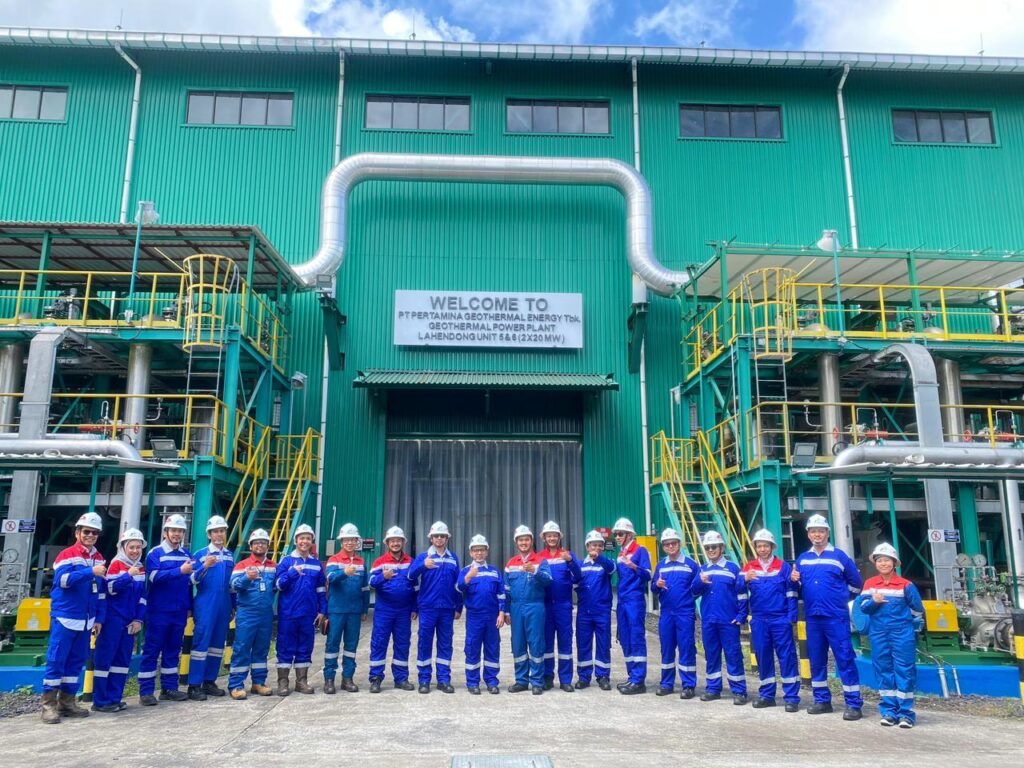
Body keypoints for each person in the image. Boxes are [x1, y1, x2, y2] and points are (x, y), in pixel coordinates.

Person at [792, 514, 864, 720]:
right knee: (816, 660)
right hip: (813, 618)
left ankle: (854, 704)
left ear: (827, 533)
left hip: (835, 617)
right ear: (808, 534)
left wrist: (839, 597)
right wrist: (794, 580)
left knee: (845, 658)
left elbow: (856, 584)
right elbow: (798, 587)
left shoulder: (840, 557)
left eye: (821, 531)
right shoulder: (803, 559)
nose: (817, 534)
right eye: (813, 531)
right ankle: (822, 700)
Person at [41, 512, 106, 724]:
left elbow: (100, 592)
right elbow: (63, 581)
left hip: (86, 619)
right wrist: (90, 571)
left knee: (76, 661)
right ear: (77, 532)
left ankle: (67, 703)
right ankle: (48, 706)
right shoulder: (67, 555)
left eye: (95, 533)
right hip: (66, 616)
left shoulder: (98, 557)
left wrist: (98, 617)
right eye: (87, 531)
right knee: (56, 660)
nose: (90, 535)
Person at [857, 543, 924, 729]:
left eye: (887, 560)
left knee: (904, 669)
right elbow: (863, 608)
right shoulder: (870, 584)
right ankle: (888, 712)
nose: (883, 563)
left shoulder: (906, 585)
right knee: (883, 668)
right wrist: (874, 601)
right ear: (875, 563)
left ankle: (906, 714)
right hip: (878, 633)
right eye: (879, 560)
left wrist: (906, 623)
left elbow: (918, 609)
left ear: (894, 563)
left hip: (902, 633)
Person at [742, 528, 800, 712]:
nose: (762, 549)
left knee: (787, 657)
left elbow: (791, 592)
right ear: (755, 548)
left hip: (780, 619)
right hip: (759, 619)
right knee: (763, 656)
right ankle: (767, 696)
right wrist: (744, 580)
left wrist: (791, 617)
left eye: (766, 546)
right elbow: (738, 591)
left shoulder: (783, 566)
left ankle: (791, 698)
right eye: (759, 546)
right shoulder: (749, 567)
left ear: (772, 547)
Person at [91, 527, 147, 713]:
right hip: (113, 619)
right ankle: (100, 701)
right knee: (105, 659)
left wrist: (139, 619)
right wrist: (128, 575)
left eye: (138, 547)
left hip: (130, 621)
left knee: (122, 661)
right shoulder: (116, 565)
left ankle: (115, 698)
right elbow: (111, 589)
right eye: (131, 547)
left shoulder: (140, 568)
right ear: (123, 547)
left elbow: (142, 597)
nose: (135, 551)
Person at [139, 514, 192, 706]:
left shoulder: (186, 554)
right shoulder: (155, 553)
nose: (177, 534)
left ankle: (169, 688)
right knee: (152, 649)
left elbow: (189, 584)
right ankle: (146, 691)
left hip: (179, 611)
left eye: (180, 531)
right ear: (166, 532)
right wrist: (179, 571)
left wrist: (189, 607)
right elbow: (154, 577)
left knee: (172, 650)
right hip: (159, 611)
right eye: (174, 530)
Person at [692, 530, 749, 705]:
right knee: (711, 655)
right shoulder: (703, 569)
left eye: (714, 547)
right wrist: (700, 581)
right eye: (708, 547)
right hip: (709, 621)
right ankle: (713, 688)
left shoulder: (733, 568)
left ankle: (739, 691)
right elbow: (693, 592)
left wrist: (741, 615)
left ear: (722, 548)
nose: (711, 550)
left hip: (728, 621)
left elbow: (742, 594)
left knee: (733, 654)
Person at [408, 520, 462, 694]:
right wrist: (423, 565)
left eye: (442, 536)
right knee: (425, 642)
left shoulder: (453, 558)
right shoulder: (424, 557)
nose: (439, 539)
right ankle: (424, 680)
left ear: (447, 538)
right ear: (431, 538)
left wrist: (459, 606)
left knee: (445, 644)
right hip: (428, 608)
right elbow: (410, 576)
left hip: (447, 609)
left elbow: (458, 584)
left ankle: (443, 680)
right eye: (436, 536)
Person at [275, 523, 326, 695]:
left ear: (312, 541)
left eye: (308, 538)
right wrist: (291, 573)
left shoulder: (316, 564)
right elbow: (278, 585)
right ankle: (283, 682)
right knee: (285, 646)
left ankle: (301, 681)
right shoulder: (286, 561)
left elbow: (321, 589)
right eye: (301, 538)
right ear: (296, 541)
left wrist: (322, 610)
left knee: (305, 646)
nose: (305, 541)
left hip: (308, 614)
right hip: (288, 613)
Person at [187, 515, 234, 701]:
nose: (219, 534)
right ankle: (194, 685)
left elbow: (231, 585)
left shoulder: (229, 555)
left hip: (224, 604)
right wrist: (205, 566)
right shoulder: (200, 554)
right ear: (209, 534)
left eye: (222, 531)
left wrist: (233, 606)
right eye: (215, 531)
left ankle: (209, 681)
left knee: (217, 644)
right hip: (206, 603)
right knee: (201, 642)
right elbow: (191, 580)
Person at [227, 528, 276, 699]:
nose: (260, 545)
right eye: (256, 543)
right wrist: (247, 577)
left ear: (268, 546)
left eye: (263, 543)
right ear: (251, 546)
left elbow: (276, 586)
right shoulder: (242, 565)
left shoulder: (273, 566)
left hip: (266, 614)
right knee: (242, 647)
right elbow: (233, 586)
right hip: (247, 613)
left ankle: (258, 683)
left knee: (261, 649)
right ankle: (236, 685)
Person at [651, 528, 700, 699]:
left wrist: (687, 600)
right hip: (666, 613)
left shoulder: (691, 565)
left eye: (673, 543)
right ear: (663, 547)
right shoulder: (661, 565)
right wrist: (657, 585)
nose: (670, 546)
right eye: (667, 544)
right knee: (667, 648)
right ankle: (666, 684)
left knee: (686, 648)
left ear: (679, 544)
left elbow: (697, 588)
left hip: (684, 613)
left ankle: (688, 685)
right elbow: (653, 589)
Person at [367, 526, 416, 693]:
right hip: (384, 610)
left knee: (402, 643)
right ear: (387, 543)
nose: (395, 543)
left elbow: (416, 587)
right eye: (392, 541)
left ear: (403, 542)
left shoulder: (410, 562)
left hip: (404, 610)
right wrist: (383, 576)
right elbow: (371, 582)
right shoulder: (380, 562)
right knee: (379, 642)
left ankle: (401, 678)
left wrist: (415, 607)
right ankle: (375, 678)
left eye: (398, 540)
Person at [504, 525, 552, 694]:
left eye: (526, 539)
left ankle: (537, 682)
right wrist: (506, 611)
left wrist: (535, 570)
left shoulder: (540, 561)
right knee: (518, 643)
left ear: (531, 541)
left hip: (535, 606)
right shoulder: (511, 563)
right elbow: (506, 590)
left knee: (536, 642)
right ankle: (521, 680)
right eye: (520, 540)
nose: (523, 542)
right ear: (516, 542)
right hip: (516, 607)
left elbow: (548, 580)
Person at [456, 534, 505, 694]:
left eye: (482, 550)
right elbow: (458, 589)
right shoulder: (465, 571)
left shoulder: (494, 571)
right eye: (476, 550)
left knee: (492, 648)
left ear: (487, 552)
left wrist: (501, 613)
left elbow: (501, 594)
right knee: (472, 648)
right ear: (471, 553)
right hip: (474, 617)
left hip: (492, 616)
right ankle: (472, 682)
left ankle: (492, 681)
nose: (479, 553)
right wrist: (468, 577)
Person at [324, 523, 369, 694]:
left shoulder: (361, 562)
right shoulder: (334, 559)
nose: (350, 543)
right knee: (332, 644)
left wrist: (364, 609)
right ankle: (329, 679)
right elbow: (330, 577)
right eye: (346, 540)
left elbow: (365, 587)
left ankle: (347, 678)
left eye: (353, 540)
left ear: (357, 542)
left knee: (351, 645)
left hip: (354, 610)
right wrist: (345, 572)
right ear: (341, 542)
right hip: (336, 610)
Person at [540, 520, 581, 692]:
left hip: (563, 606)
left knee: (565, 643)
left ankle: (565, 680)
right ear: (544, 538)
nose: (552, 538)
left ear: (559, 537)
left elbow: (578, 576)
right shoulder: (539, 557)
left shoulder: (567, 555)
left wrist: (570, 561)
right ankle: (547, 678)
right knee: (546, 644)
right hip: (546, 607)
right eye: (549, 536)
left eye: (554, 535)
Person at [613, 517, 651, 694]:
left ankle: (639, 680)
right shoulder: (620, 553)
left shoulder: (640, 550)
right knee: (625, 638)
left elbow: (648, 574)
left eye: (620, 534)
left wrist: (634, 566)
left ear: (629, 535)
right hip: (622, 601)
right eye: (616, 534)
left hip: (635, 600)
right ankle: (632, 677)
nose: (617, 537)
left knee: (636, 637)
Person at [575, 529, 614, 691]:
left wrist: (598, 558)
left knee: (603, 643)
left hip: (602, 611)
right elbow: (574, 582)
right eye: (593, 545)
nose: (596, 548)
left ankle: (603, 676)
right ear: (587, 546)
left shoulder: (606, 563)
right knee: (583, 643)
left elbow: (611, 568)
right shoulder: (580, 565)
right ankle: (584, 677)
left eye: (599, 545)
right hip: (584, 611)